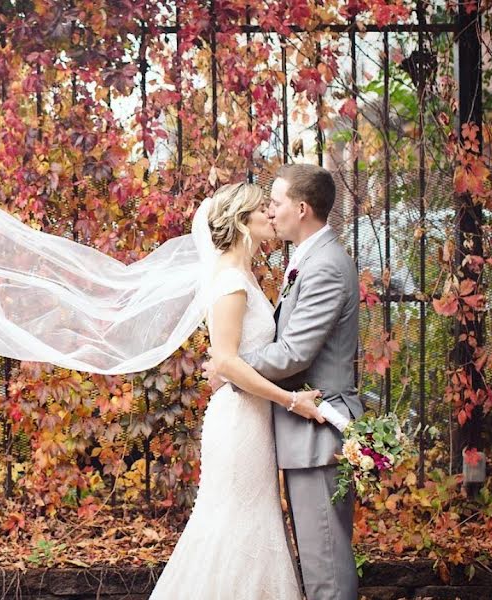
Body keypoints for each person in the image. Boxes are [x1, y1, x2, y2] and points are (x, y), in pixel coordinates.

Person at [150, 181, 320, 599]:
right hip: (239, 422)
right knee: (236, 526)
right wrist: (291, 400)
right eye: (262, 209)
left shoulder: (243, 275)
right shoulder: (230, 280)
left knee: (254, 523)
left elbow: (235, 358)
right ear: (242, 222)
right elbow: (225, 360)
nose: (271, 214)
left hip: (254, 419)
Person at [203, 165, 362, 600]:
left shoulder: (325, 264)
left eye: (275, 202)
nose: (270, 212)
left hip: (317, 428)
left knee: (325, 568)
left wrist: (228, 366)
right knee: (317, 563)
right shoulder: (306, 258)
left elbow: (295, 352)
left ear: (301, 208)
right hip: (298, 432)